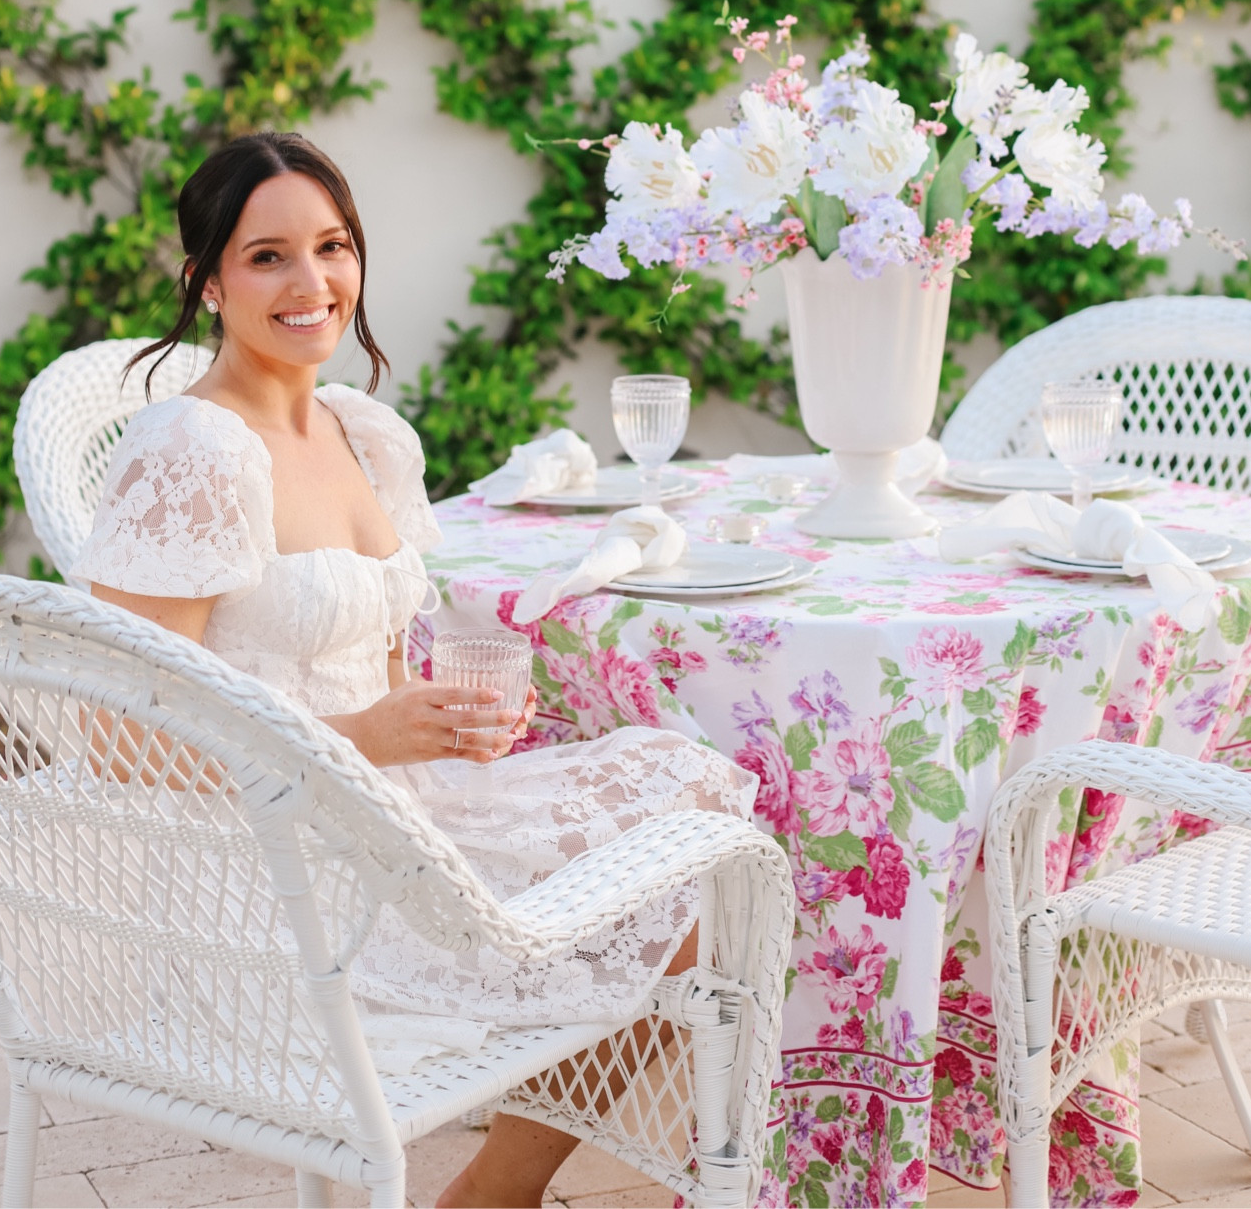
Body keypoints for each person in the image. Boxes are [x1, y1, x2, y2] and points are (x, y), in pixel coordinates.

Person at [71, 131, 756, 1209]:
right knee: (675, 891)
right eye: (268, 257)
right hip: (267, 873)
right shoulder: (191, 451)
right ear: (204, 283)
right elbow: (116, 735)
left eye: (333, 247)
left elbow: (381, 664)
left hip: (396, 808)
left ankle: (497, 1190)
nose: (313, 284)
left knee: (705, 854)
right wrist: (358, 743)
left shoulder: (365, 433)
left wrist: (447, 718)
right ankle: (503, 1195)